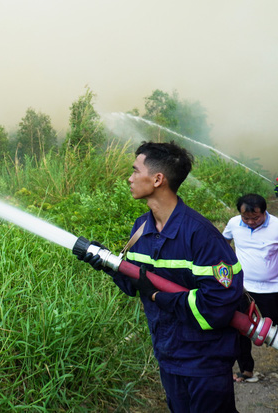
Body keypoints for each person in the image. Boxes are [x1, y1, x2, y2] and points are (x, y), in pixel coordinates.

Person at [79, 141, 243, 413]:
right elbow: (135, 284)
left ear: (157, 179)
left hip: (205, 362)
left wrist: (157, 296)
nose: (129, 178)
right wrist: (107, 263)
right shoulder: (141, 229)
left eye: (135, 170)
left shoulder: (201, 236)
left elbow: (217, 305)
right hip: (168, 356)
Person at [222, 193, 278, 382]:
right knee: (240, 327)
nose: (251, 222)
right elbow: (224, 243)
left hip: (270, 287)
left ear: (264, 212)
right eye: (246, 218)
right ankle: (246, 369)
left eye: (255, 218)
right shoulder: (234, 223)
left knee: (275, 321)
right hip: (242, 286)